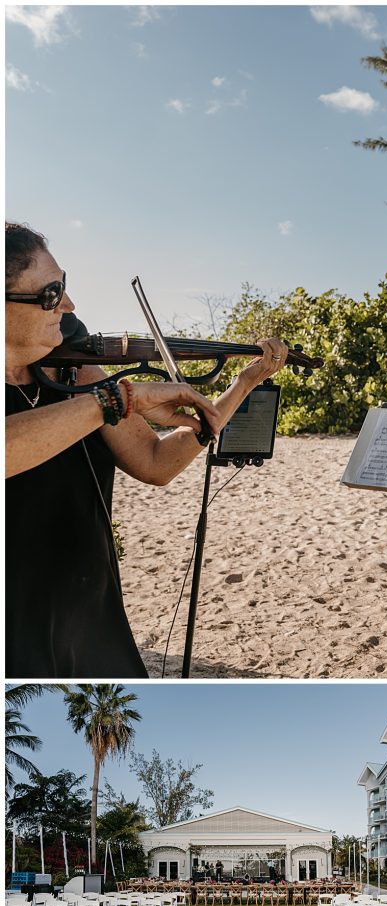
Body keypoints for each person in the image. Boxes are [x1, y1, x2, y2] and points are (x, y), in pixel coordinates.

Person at [5, 222, 289, 676]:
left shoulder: (76, 372)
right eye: (50, 293)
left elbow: (157, 463)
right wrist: (112, 401)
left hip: (86, 601)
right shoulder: (98, 395)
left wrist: (242, 384)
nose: (70, 305)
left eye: (66, 286)